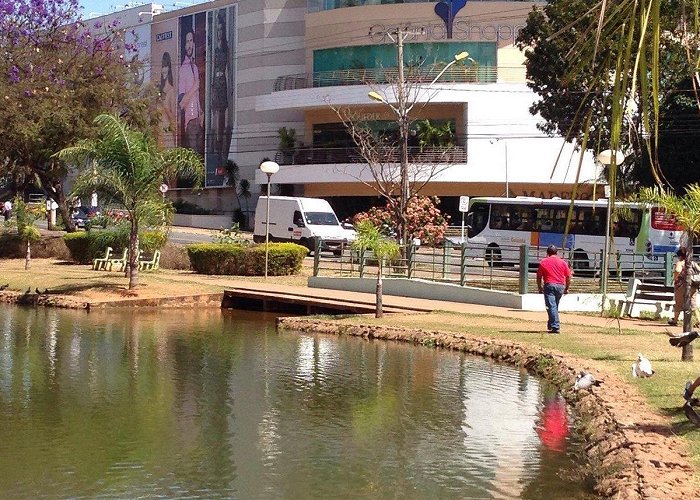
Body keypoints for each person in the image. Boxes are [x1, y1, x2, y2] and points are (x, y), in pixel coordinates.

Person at [536, 244, 572, 333]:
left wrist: (540, 287)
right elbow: (568, 276)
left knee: (551, 306)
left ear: (547, 253)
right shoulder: (563, 262)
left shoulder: (543, 262)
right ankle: (551, 324)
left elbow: (539, 276)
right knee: (554, 306)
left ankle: (555, 326)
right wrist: (566, 288)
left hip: (549, 285)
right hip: (560, 286)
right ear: (557, 253)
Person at [178, 30, 204, 155]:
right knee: (195, 157)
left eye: (191, 41)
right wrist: (195, 87)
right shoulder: (183, 69)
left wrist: (201, 114)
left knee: (201, 158)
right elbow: (181, 104)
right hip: (190, 122)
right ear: (184, 45)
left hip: (199, 120)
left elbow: (197, 98)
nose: (189, 45)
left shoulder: (195, 67)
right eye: (187, 41)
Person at [210, 12, 230, 172]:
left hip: (222, 82)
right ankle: (216, 143)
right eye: (218, 30)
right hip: (214, 83)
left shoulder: (225, 48)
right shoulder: (212, 48)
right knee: (215, 112)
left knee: (221, 114)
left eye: (221, 30)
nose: (219, 32)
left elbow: (228, 68)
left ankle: (220, 142)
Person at [669, 247, 698, 326]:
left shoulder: (681, 262)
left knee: (678, 303)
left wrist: (675, 278)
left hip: (682, 285)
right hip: (693, 285)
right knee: (693, 303)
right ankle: (698, 320)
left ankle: (675, 320)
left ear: (680, 256)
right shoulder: (693, 263)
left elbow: (678, 270)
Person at [158, 51, 176, 148]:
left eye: (166, 66)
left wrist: (165, 108)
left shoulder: (171, 90)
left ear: (169, 68)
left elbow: (172, 115)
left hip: (166, 129)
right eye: (162, 66)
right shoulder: (158, 89)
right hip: (157, 128)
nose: (163, 69)